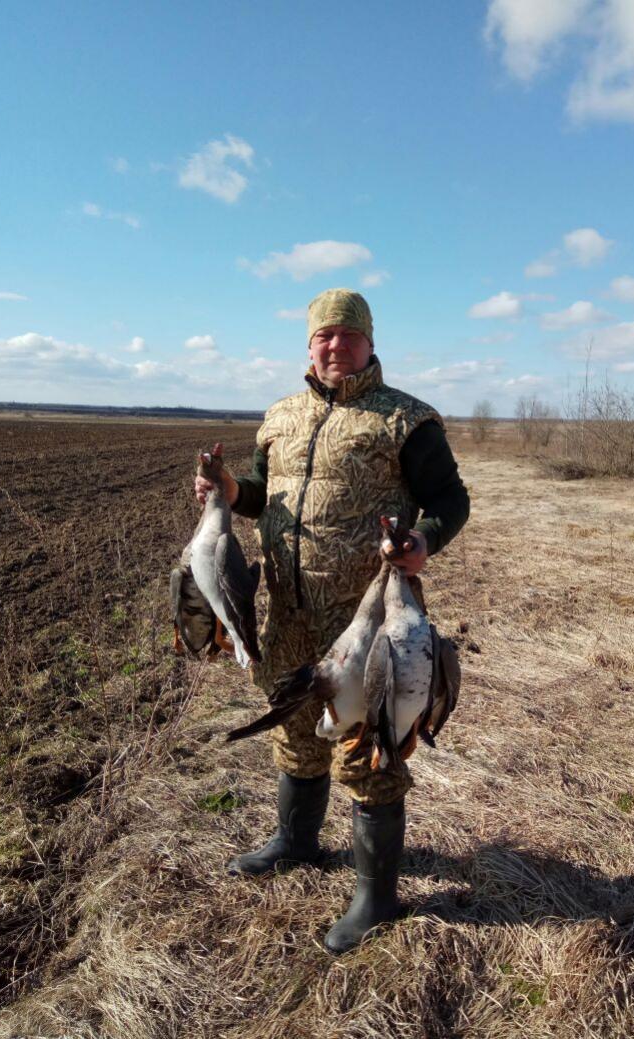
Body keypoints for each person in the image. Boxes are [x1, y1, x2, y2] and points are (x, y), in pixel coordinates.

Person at [195, 288, 469, 953]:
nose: (336, 345)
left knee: (371, 748)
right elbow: (261, 496)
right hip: (287, 614)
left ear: (370, 342)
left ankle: (376, 899)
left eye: (349, 334)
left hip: (368, 623)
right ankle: (296, 842)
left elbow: (449, 498)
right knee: (295, 732)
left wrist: (424, 541)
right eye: (324, 335)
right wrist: (229, 491)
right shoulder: (279, 417)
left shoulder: (406, 419)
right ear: (309, 343)